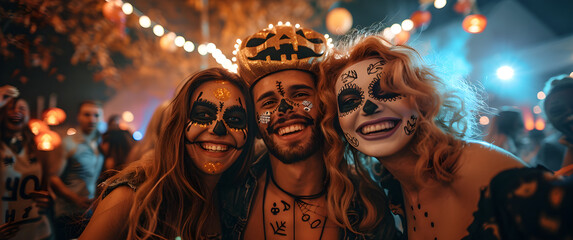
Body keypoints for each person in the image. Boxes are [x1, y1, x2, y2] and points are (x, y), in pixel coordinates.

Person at [319, 35, 526, 240]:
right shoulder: (394, 190)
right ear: (338, 123)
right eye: (349, 101)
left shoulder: (475, 166)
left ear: (421, 100)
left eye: (387, 91)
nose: (369, 107)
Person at [221, 24, 396, 239]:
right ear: (256, 123)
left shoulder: (368, 207)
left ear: (326, 105)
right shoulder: (226, 196)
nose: (284, 110)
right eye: (268, 103)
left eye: (300, 95)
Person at [79, 68, 256, 240]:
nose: (218, 129)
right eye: (203, 115)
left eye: (235, 119)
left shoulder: (238, 201)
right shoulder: (132, 197)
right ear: (179, 125)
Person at [50, 100, 105, 239]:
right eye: (87, 114)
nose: (92, 119)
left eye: (96, 115)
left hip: (89, 210)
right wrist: (75, 199)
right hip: (68, 213)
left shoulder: (99, 142)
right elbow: (53, 177)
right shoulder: (68, 143)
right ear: (78, 117)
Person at [0, 97, 52, 239]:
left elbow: (46, 185)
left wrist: (49, 200)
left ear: (29, 115)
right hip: (6, 231)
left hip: (38, 229)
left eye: (22, 108)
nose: (16, 112)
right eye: (10, 108)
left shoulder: (38, 146)